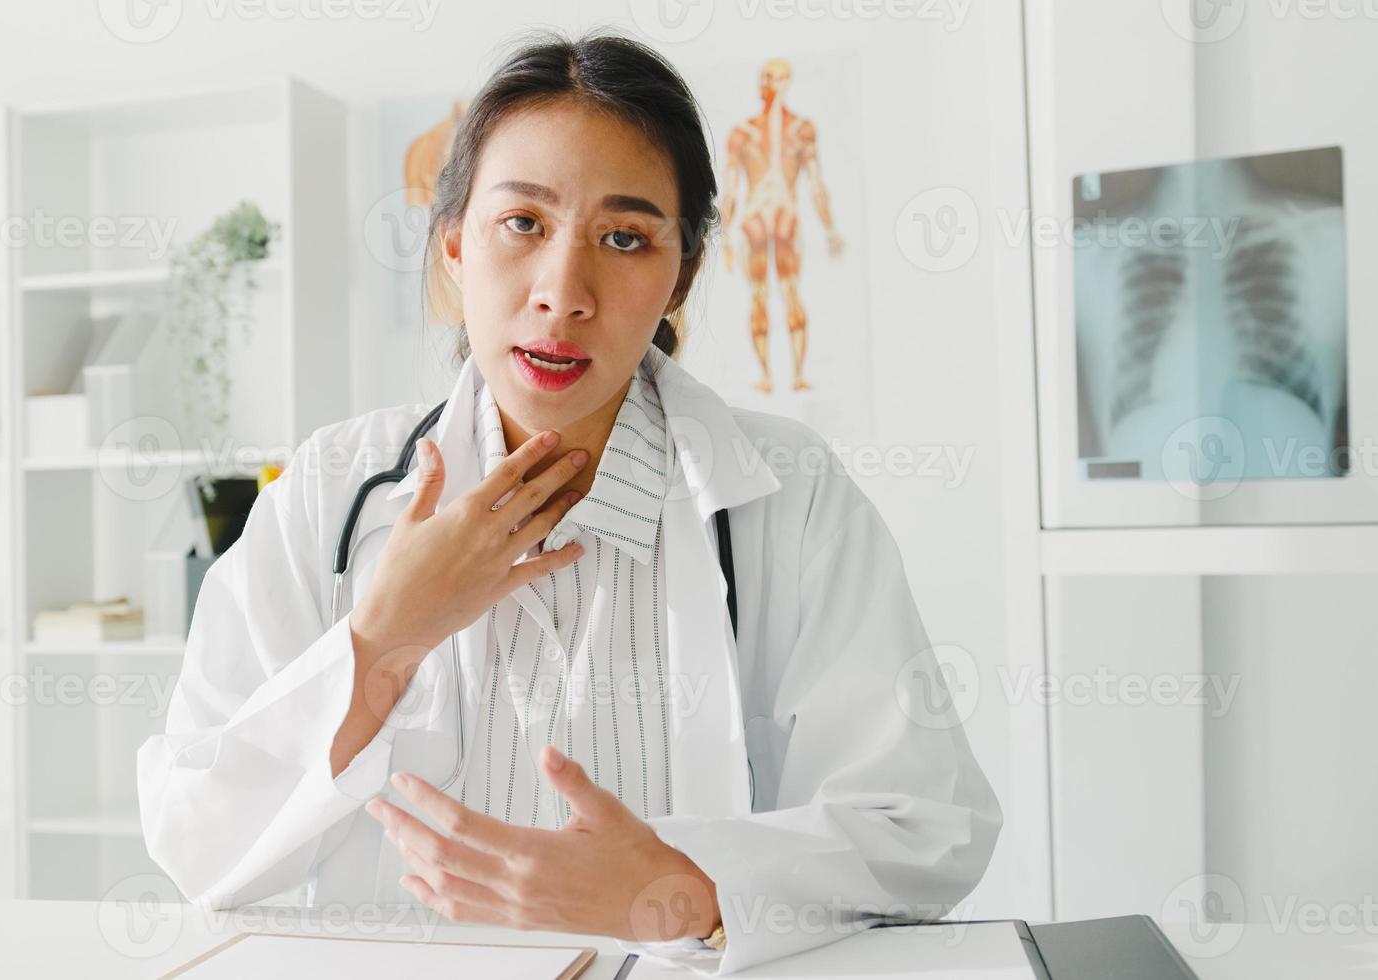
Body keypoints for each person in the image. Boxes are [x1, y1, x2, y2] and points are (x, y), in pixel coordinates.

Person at [138, 29, 1000, 974]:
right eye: (523, 224)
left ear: (684, 272)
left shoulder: (791, 496)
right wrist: (382, 640)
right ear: (455, 244)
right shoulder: (327, 495)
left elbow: (922, 830)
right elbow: (195, 843)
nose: (564, 292)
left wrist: (682, 890)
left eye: (624, 238)